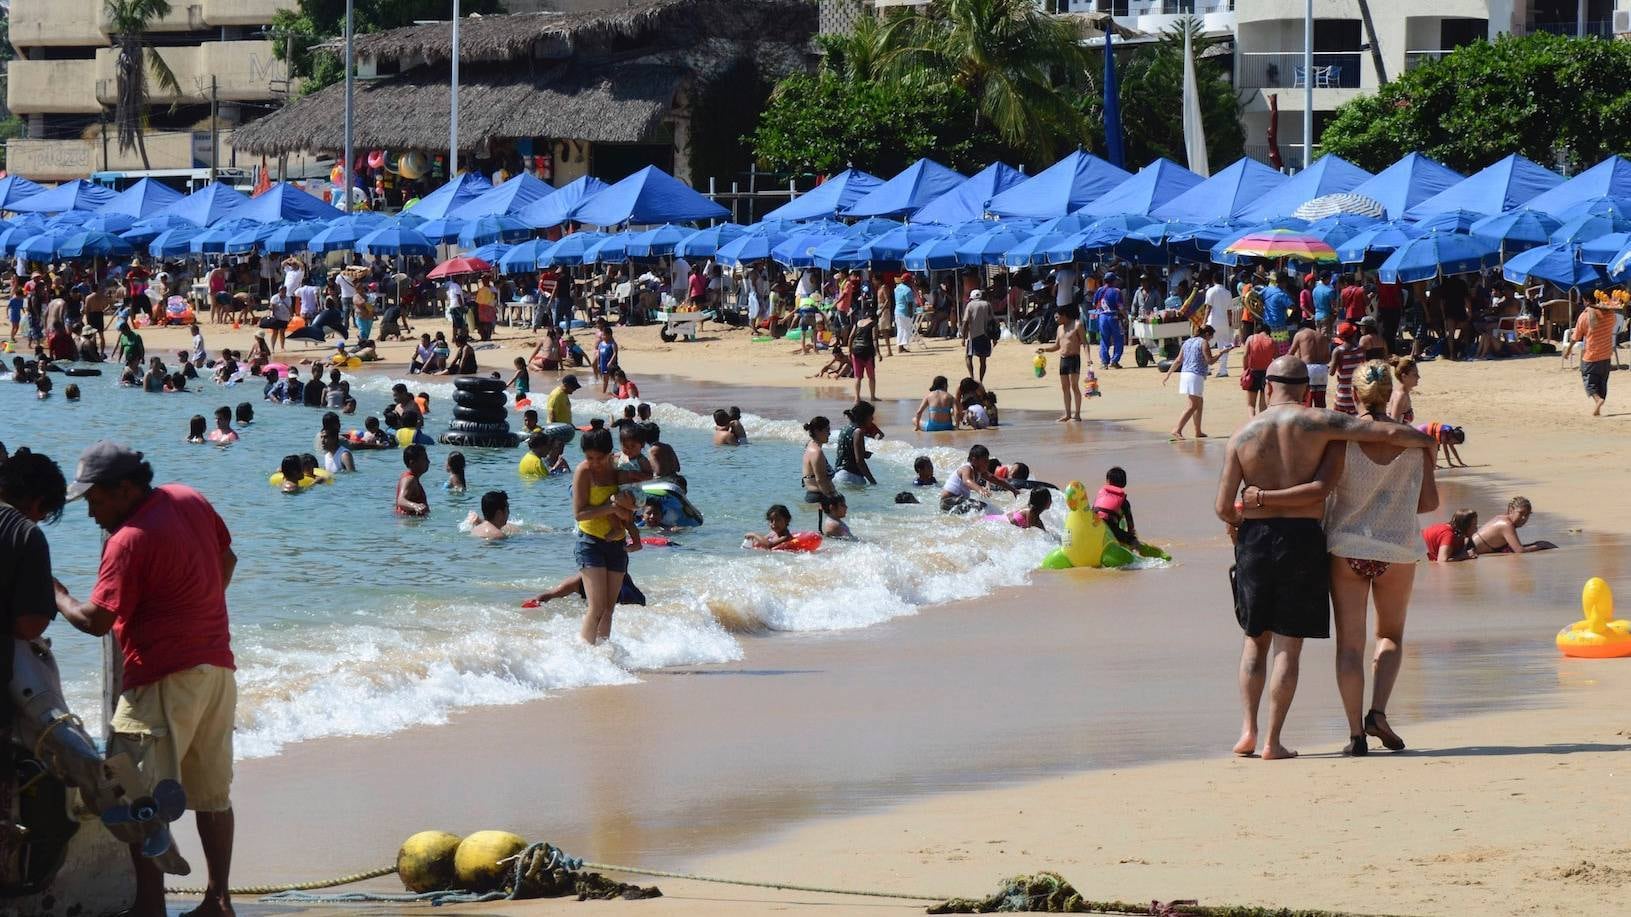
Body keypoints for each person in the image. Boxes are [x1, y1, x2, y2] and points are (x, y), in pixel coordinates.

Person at [1214, 356, 1432, 761]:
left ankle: (1248, 731)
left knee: (1253, 640)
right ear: (1306, 390)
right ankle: (1273, 741)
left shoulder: (1242, 434)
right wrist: (1425, 439)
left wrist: (1244, 515)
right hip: (1302, 539)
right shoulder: (1321, 422)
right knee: (1287, 647)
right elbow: (1376, 429)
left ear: (1267, 388)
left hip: (1256, 539)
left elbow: (1224, 506)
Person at [53, 442, 238, 917]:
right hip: (216, 668)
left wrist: (57, 594)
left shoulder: (128, 539)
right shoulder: (188, 497)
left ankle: (149, 907)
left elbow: (96, 621)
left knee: (133, 791)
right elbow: (228, 560)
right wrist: (194, 612)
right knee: (212, 792)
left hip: (161, 678)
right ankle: (218, 900)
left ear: (126, 489)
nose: (92, 514)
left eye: (96, 501)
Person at [574, 427, 634, 644]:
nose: (595, 462)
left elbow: (635, 499)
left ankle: (602, 656)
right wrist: (611, 509)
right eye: (589, 457)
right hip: (590, 543)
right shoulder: (583, 471)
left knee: (609, 609)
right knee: (596, 607)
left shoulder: (621, 468)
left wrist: (627, 507)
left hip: (617, 544)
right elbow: (579, 514)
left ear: (611, 453)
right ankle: (583, 656)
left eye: (600, 458)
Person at [1560, 294, 1617, 416]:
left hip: (1591, 355)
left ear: (1586, 301)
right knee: (1602, 381)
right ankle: (1598, 406)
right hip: (1606, 355)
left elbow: (1576, 337)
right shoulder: (1610, 315)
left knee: (1589, 380)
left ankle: (1597, 400)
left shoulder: (1584, 316)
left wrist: (1568, 350)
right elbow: (1612, 324)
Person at [1163, 324, 1221, 439]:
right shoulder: (1203, 342)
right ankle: (1177, 429)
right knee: (1193, 405)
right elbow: (1210, 361)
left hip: (1185, 374)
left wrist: (1168, 374)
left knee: (1199, 403)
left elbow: (1179, 360)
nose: (1210, 339)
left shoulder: (1187, 342)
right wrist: (1221, 353)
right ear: (1207, 334)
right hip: (1195, 375)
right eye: (1211, 336)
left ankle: (1198, 431)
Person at [1036, 302, 1087, 422]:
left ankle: (1077, 414)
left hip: (1074, 358)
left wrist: (1088, 358)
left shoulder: (1077, 325)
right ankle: (1068, 414)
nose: (1056, 319)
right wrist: (1044, 349)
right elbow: (1057, 346)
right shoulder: (1059, 329)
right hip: (1063, 360)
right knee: (1065, 387)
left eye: (1057, 317)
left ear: (1064, 315)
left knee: (1074, 386)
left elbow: (1085, 343)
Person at [940, 444, 1016, 514]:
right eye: (985, 461)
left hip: (959, 501)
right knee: (980, 506)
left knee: (982, 507)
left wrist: (1013, 490)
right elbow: (967, 481)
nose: (987, 463)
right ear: (974, 460)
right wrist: (980, 489)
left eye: (987, 460)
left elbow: (997, 480)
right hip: (948, 501)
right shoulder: (966, 468)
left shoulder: (980, 472)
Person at [1471, 496, 1553, 555]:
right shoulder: (1506, 525)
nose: (1524, 518)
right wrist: (1540, 546)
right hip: (1463, 551)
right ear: (1511, 510)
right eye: (1521, 513)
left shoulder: (1502, 519)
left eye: (1527, 514)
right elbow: (1520, 551)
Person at [1092, 466, 1143, 549]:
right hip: (1109, 528)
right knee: (1132, 539)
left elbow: (1093, 510)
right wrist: (1131, 536)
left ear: (1108, 481)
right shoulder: (1124, 502)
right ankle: (1134, 551)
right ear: (1124, 482)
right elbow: (1130, 524)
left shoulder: (1100, 494)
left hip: (1093, 524)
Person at [833, 401, 879, 487]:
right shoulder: (858, 432)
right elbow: (859, 462)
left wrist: (863, 454)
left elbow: (846, 452)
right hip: (851, 476)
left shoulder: (844, 429)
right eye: (871, 416)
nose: (872, 419)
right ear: (864, 417)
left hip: (839, 474)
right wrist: (873, 481)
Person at [1288, 320, 1331, 409]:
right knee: (1320, 402)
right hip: (1322, 369)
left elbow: (1290, 353)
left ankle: (1306, 422)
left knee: (1306, 401)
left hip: (1307, 369)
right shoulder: (1322, 337)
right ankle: (1321, 422)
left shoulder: (1300, 334)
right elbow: (1328, 358)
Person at [1329, 322, 1364, 416]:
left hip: (1343, 395)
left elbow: (1331, 372)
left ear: (1341, 337)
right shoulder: (1361, 349)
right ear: (1354, 334)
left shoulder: (1338, 351)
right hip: (1357, 396)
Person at [1241, 320, 1275, 416]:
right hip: (1266, 374)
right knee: (1263, 404)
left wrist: (1245, 369)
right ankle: (1261, 424)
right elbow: (1275, 358)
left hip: (1253, 373)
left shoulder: (1251, 339)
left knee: (1251, 405)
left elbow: (1245, 355)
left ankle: (1252, 422)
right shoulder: (1271, 341)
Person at [800, 416, 837, 505]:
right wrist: (833, 501)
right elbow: (821, 480)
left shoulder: (809, 444)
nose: (829, 433)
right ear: (817, 431)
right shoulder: (817, 452)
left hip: (815, 497)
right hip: (820, 498)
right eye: (827, 430)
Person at [1091, 273, 1125, 369]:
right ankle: (1114, 361)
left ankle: (1104, 362)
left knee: (1104, 339)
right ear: (1113, 281)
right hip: (1114, 317)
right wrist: (1126, 317)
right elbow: (1121, 307)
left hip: (1102, 317)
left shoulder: (1099, 290)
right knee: (1118, 339)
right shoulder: (1116, 291)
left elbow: (1094, 304)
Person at [961, 288, 994, 382]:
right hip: (986, 335)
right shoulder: (987, 304)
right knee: (983, 360)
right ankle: (981, 380)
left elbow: (965, 322)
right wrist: (995, 338)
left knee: (968, 356)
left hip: (973, 336)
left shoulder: (970, 305)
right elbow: (993, 321)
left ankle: (972, 377)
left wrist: (963, 337)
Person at [848, 303, 879, 402]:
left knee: (858, 377)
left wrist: (849, 351)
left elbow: (850, 337)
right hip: (867, 351)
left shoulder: (858, 322)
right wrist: (878, 353)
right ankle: (872, 397)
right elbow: (874, 339)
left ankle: (857, 398)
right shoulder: (873, 323)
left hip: (856, 350)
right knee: (871, 377)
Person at [395, 445, 430, 516]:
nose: (428, 462)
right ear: (412, 463)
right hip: (409, 523)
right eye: (424, 459)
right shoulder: (410, 480)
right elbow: (401, 500)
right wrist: (415, 506)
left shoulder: (411, 478)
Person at [1388, 357, 1419, 423]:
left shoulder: (1404, 393)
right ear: (1404, 376)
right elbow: (1393, 423)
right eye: (1415, 374)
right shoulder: (1401, 396)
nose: (1418, 377)